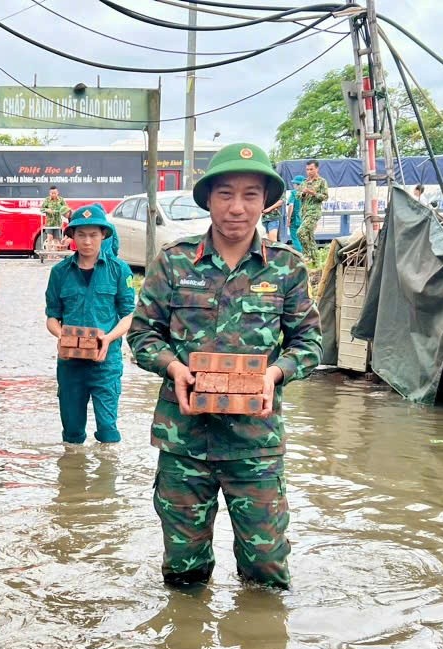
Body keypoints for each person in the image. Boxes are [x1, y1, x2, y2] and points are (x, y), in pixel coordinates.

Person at [126, 142, 322, 589]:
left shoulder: (288, 269)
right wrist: (173, 368)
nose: (237, 207)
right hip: (184, 443)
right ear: (208, 199)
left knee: (267, 568)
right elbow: (141, 335)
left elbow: (310, 342)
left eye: (251, 195)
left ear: (266, 202)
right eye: (226, 194)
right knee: (183, 570)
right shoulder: (174, 262)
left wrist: (275, 373)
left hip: (256, 446)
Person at [44, 203, 135, 445]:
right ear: (72, 236)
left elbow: (129, 315)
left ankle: (106, 479)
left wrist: (108, 338)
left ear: (104, 235)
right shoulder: (59, 272)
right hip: (70, 364)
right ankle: (73, 475)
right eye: (81, 235)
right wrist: (62, 335)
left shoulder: (120, 270)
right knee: (72, 434)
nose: (87, 241)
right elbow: (52, 316)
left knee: (108, 431)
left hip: (106, 362)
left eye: (93, 234)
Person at [296, 159, 328, 268]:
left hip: (314, 212)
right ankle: (316, 262)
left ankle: (307, 255)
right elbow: (297, 195)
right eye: (307, 169)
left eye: (311, 169)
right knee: (309, 237)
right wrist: (304, 194)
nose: (309, 171)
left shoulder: (321, 181)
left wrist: (314, 193)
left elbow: (325, 197)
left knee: (300, 232)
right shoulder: (304, 182)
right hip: (304, 212)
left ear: (317, 169)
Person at [287, 175, 305, 253]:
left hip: (295, 219)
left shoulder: (294, 193)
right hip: (304, 218)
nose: (293, 185)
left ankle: (300, 255)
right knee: (302, 238)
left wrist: (289, 219)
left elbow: (291, 206)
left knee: (295, 238)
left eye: (294, 183)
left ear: (297, 184)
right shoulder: (306, 194)